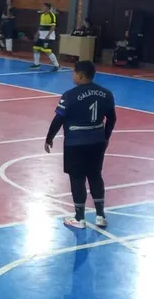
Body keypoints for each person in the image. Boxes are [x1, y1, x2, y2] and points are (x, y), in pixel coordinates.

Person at [44, 61, 117, 230]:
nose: (72, 75)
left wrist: (49, 138)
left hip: (75, 143)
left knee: (77, 178)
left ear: (80, 75)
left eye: (73, 72)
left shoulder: (69, 95)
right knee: (95, 175)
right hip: (97, 142)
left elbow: (58, 119)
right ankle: (100, 215)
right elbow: (112, 119)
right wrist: (105, 137)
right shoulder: (106, 94)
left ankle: (79, 218)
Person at [30, 2, 60, 72]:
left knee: (47, 51)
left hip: (49, 37)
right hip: (41, 36)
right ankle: (36, 64)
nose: (42, 8)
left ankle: (57, 65)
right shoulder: (42, 15)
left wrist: (48, 35)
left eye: (43, 6)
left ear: (47, 8)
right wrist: (37, 33)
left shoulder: (52, 15)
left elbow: (53, 26)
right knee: (36, 48)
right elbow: (41, 26)